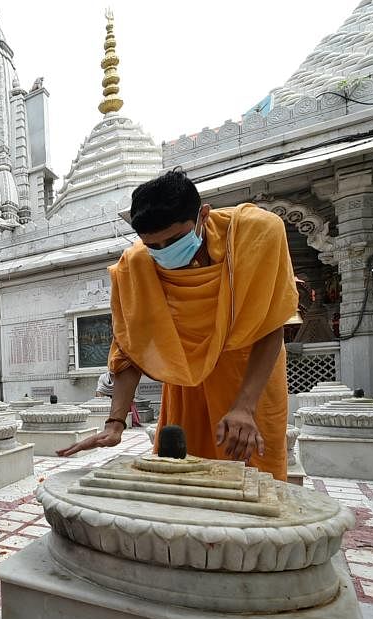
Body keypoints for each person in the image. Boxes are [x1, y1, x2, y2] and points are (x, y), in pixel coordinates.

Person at [59, 170, 297, 480]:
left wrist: (244, 407)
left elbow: (270, 324)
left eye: (174, 240)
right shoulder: (137, 264)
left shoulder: (256, 233)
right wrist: (114, 423)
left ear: (203, 215)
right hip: (187, 385)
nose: (164, 251)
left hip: (251, 380)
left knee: (254, 483)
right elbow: (130, 349)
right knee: (183, 477)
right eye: (153, 245)